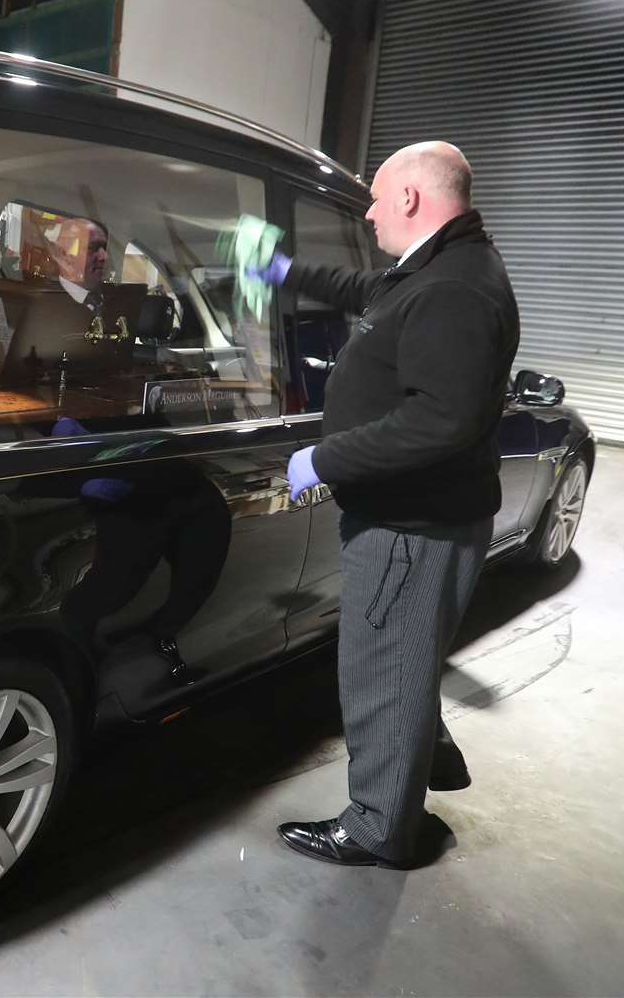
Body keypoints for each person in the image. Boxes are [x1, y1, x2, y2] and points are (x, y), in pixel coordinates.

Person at [251, 141, 520, 868]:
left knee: (381, 669)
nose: (367, 212)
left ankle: (377, 828)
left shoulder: (453, 288)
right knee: (405, 654)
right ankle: (426, 762)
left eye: (374, 197)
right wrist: (281, 272)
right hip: (416, 515)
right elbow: (362, 289)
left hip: (410, 523)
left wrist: (323, 458)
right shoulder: (435, 269)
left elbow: (441, 419)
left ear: (408, 198)